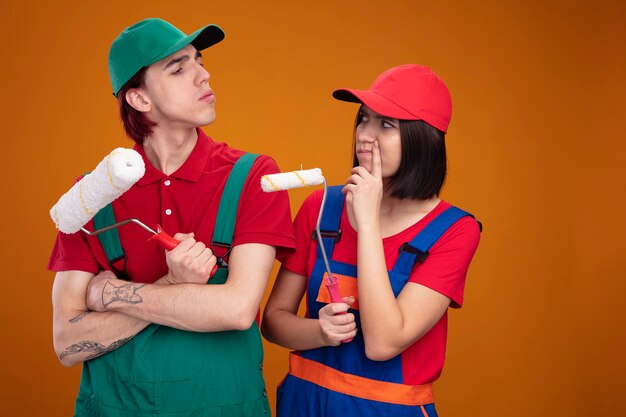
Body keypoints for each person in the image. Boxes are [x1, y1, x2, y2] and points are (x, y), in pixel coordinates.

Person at [49, 18, 295, 417]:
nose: (204, 75)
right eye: (179, 69)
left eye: (198, 60)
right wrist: (172, 283)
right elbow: (67, 343)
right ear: (140, 99)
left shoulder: (254, 176)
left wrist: (107, 295)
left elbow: (236, 309)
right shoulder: (93, 195)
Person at [261, 64, 481, 417]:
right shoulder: (321, 207)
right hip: (304, 402)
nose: (365, 134)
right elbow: (273, 321)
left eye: (386, 124)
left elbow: (383, 343)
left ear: (424, 139)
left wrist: (366, 221)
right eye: (364, 118)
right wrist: (320, 332)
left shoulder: (455, 230)